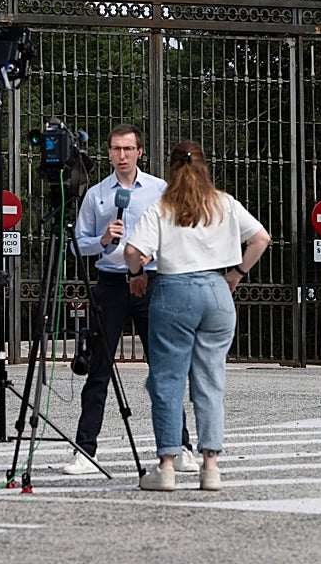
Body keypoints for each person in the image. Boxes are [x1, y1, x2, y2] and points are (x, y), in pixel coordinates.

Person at [124, 141, 271, 492]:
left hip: (174, 291)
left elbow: (132, 251)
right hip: (217, 292)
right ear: (205, 168)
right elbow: (261, 238)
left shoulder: (161, 206)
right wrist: (236, 273)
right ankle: (211, 467)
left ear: (172, 169)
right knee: (210, 381)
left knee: (167, 381)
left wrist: (136, 275)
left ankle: (168, 466)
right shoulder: (224, 203)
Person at [62, 123, 199, 476]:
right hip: (109, 282)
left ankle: (180, 446)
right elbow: (78, 242)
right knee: (98, 369)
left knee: (163, 367)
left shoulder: (159, 190)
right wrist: (104, 239)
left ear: (140, 151)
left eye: (128, 149)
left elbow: (177, 234)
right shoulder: (96, 195)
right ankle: (85, 450)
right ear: (108, 153)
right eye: (115, 149)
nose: (121, 156)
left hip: (150, 282)